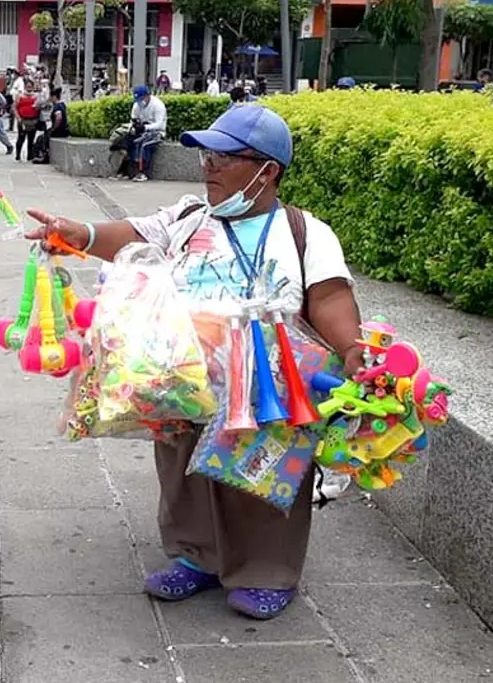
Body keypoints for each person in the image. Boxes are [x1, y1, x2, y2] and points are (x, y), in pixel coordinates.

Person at [23, 105, 361, 621]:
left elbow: (331, 298)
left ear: (267, 171)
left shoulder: (304, 233)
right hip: (185, 375)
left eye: (225, 158)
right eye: (207, 155)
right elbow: (129, 236)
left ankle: (266, 570)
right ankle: (194, 555)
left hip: (266, 386)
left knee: (261, 477)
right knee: (181, 466)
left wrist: (353, 347)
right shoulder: (185, 218)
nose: (209, 167)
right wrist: (75, 233)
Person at [116, 85, 166, 182]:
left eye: (141, 99)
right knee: (126, 142)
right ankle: (126, 171)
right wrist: (134, 126)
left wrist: (145, 127)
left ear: (147, 96)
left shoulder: (158, 105)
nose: (140, 102)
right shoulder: (136, 106)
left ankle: (142, 172)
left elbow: (160, 124)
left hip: (156, 132)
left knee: (143, 144)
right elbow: (133, 119)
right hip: (140, 130)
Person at [32, 86, 69, 165]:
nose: (50, 99)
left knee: (42, 138)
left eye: (51, 97)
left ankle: (44, 155)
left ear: (54, 97)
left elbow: (58, 117)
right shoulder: (62, 104)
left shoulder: (57, 106)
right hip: (63, 130)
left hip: (59, 131)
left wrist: (54, 128)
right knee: (42, 137)